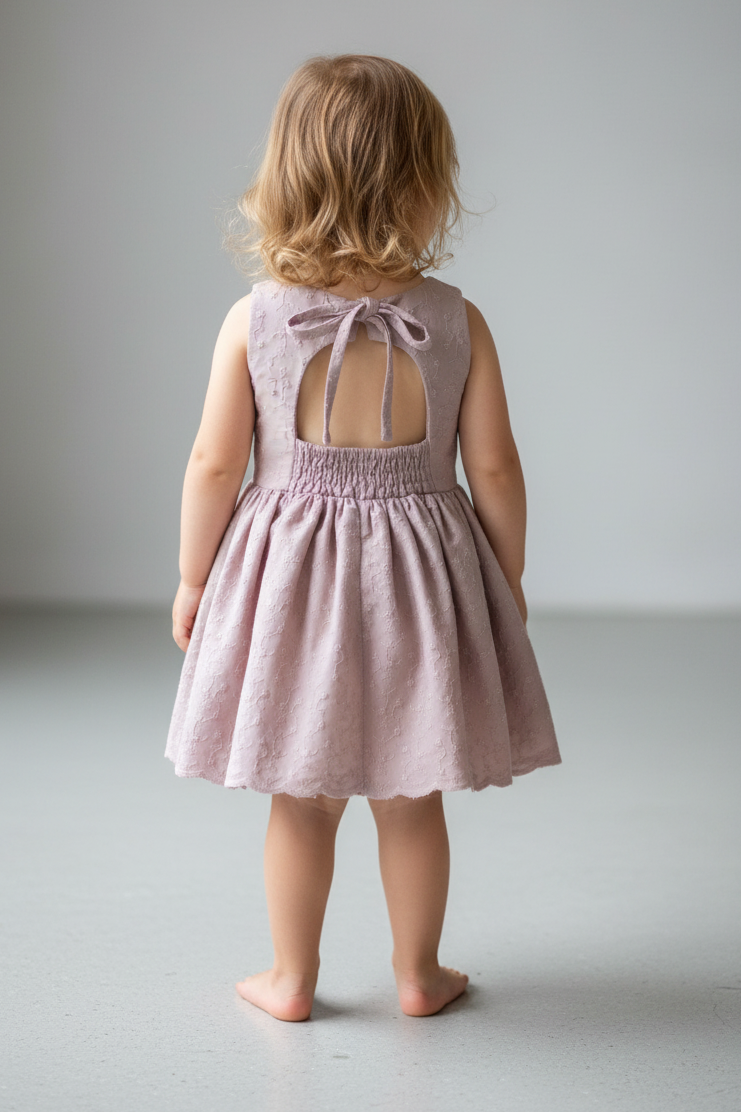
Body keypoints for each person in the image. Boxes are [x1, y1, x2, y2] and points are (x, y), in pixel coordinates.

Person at [165, 53, 561, 1023]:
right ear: (426, 184)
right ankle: (420, 972)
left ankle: (290, 978)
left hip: (291, 583)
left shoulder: (252, 321)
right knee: (411, 789)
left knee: (301, 797)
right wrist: (502, 577)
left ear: (288, 178)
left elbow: (215, 465)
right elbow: (498, 468)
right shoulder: (454, 321)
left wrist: (192, 577)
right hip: (422, 582)